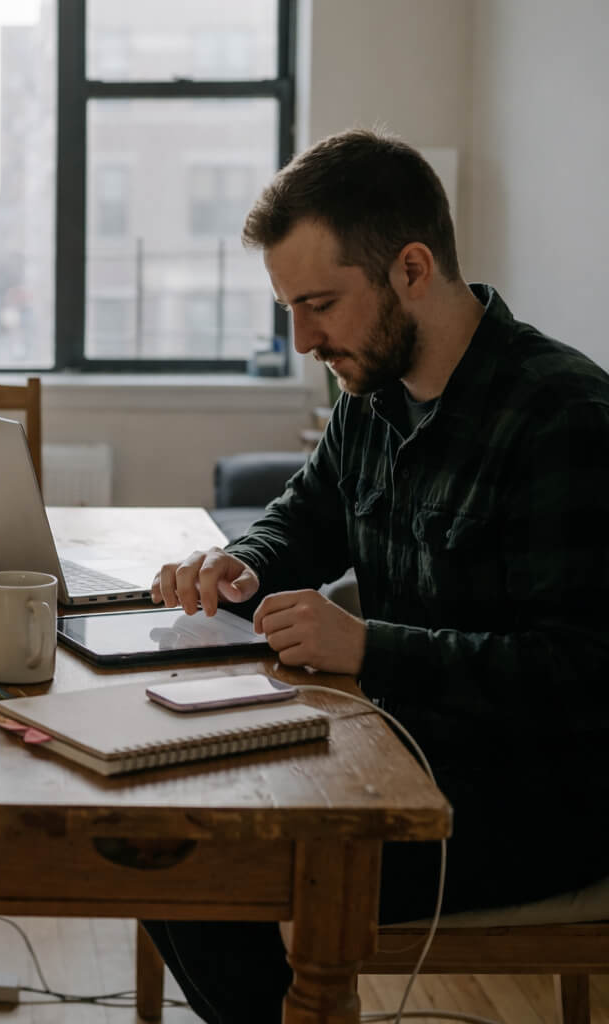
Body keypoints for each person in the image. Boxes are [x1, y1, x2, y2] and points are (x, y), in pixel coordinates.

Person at [145, 128, 609, 1022]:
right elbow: (308, 513)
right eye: (289, 307)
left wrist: (370, 648)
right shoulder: (373, 392)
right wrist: (240, 562)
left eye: (319, 303)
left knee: (207, 858)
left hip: (539, 798)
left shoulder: (565, 420)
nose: (303, 338)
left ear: (411, 268)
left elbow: (582, 672)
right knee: (156, 825)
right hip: (394, 755)